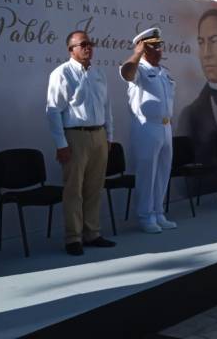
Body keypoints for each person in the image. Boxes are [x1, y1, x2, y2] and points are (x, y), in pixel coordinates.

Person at [46, 30, 116, 256]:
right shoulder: (62, 73)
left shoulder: (98, 73)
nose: (88, 48)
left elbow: (107, 107)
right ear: (71, 49)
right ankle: (73, 237)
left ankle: (92, 233)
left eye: (90, 43)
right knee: (73, 189)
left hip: (98, 135)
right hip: (75, 136)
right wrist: (61, 144)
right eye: (82, 44)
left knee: (95, 187)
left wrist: (109, 135)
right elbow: (53, 110)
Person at [120, 27, 177, 233]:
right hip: (146, 126)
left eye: (160, 45)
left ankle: (158, 212)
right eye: (154, 46)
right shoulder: (138, 69)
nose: (160, 50)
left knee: (162, 172)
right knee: (147, 174)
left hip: (165, 126)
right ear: (144, 49)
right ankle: (145, 216)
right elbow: (126, 74)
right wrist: (136, 53)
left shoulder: (164, 72)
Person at [178, 10, 217, 167]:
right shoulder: (190, 115)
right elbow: (185, 181)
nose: (206, 54)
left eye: (214, 42)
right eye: (201, 43)